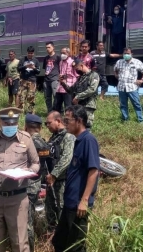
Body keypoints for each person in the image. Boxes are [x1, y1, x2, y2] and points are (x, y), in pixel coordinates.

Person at [0, 107, 40, 252]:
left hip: (17, 199)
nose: (10, 126)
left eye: (14, 123)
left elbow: (36, 163)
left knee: (19, 242)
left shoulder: (26, 138)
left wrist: (29, 171)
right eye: (7, 123)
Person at [52, 105, 100, 252]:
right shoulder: (77, 140)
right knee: (59, 242)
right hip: (70, 202)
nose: (65, 124)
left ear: (79, 121)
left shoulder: (88, 140)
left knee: (75, 247)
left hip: (79, 205)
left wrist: (84, 200)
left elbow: (94, 171)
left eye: (68, 120)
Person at [44, 111, 75, 233]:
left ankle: (63, 234)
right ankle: (51, 233)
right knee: (50, 208)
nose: (47, 126)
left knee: (61, 208)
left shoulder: (68, 137)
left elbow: (67, 158)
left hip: (61, 180)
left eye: (49, 123)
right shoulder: (54, 137)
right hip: (50, 179)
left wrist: (54, 174)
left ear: (58, 121)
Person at [24, 114, 48, 251]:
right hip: (37, 184)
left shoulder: (29, 143)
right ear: (40, 127)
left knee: (27, 222)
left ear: (26, 126)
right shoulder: (44, 143)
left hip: (27, 186)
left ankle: (29, 248)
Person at [59, 58, 99, 128]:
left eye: (77, 68)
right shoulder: (80, 78)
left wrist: (78, 97)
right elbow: (70, 90)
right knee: (77, 126)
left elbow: (92, 89)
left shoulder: (93, 75)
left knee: (86, 126)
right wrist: (63, 83)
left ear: (82, 65)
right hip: (79, 106)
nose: (76, 71)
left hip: (88, 106)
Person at [114, 47, 143, 123]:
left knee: (136, 103)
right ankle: (125, 119)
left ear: (131, 54)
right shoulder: (119, 62)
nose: (126, 55)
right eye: (125, 53)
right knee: (123, 104)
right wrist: (116, 75)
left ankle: (140, 120)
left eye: (128, 53)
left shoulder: (136, 62)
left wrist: (142, 80)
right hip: (121, 87)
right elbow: (115, 70)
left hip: (132, 87)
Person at [18, 46, 40, 114]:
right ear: (27, 53)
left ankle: (30, 112)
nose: (30, 54)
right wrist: (26, 66)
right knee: (21, 96)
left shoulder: (36, 60)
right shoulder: (22, 59)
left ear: (33, 53)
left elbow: (38, 71)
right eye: (29, 53)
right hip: (23, 81)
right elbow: (18, 69)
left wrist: (34, 68)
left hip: (32, 81)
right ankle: (21, 111)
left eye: (31, 53)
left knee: (31, 97)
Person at [54, 47, 77, 113]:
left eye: (64, 53)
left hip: (68, 88)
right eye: (61, 53)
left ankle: (68, 121)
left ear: (68, 53)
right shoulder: (61, 62)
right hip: (60, 87)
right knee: (57, 106)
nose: (62, 55)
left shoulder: (72, 62)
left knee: (68, 106)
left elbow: (76, 75)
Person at [43, 42, 61, 113]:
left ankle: (57, 111)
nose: (47, 49)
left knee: (56, 96)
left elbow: (61, 68)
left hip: (55, 79)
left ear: (53, 47)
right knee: (47, 97)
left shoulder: (58, 57)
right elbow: (45, 68)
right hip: (46, 80)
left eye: (49, 47)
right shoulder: (46, 58)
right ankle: (50, 112)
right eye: (46, 48)